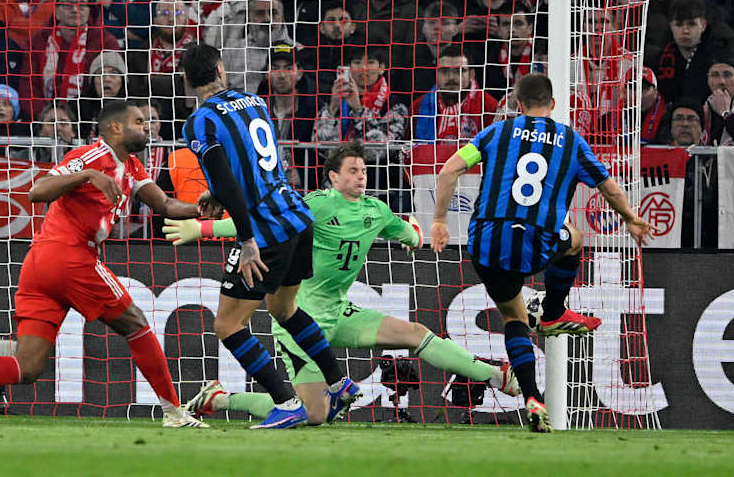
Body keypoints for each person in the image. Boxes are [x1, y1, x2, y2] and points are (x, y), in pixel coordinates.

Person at [166, 141, 520, 424]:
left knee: (414, 333)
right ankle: (219, 398)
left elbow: (410, 234)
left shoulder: (375, 210)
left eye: (363, 170)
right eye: (352, 171)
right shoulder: (315, 205)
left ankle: (495, 376)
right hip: (299, 320)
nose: (361, 176)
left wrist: (413, 233)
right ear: (332, 177)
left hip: (339, 311)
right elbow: (266, 226)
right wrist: (202, 228)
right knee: (312, 414)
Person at [0, 101, 207, 428]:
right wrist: (87, 175)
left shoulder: (132, 167)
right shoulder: (90, 157)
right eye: (138, 121)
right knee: (136, 323)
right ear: (116, 128)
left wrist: (200, 210)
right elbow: (38, 191)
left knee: (28, 367)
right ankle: (174, 412)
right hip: (69, 254)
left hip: (41, 264)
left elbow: (164, 204)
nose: (147, 126)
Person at [431, 74, 653, 432]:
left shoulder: (495, 133)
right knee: (576, 238)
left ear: (518, 106)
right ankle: (552, 312)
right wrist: (631, 218)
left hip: (487, 241)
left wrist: (440, 220)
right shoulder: (571, 141)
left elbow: (449, 170)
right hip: (537, 243)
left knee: (514, 318)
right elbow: (608, 187)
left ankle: (532, 396)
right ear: (552, 105)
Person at [179, 42, 359, 429]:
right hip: (296, 216)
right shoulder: (254, 102)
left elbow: (228, 175)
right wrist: (219, 193)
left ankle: (285, 402)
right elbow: (260, 162)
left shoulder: (199, 122)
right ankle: (339, 383)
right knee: (284, 310)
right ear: (221, 70)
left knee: (228, 325)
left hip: (265, 232)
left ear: (185, 80)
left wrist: (245, 239)